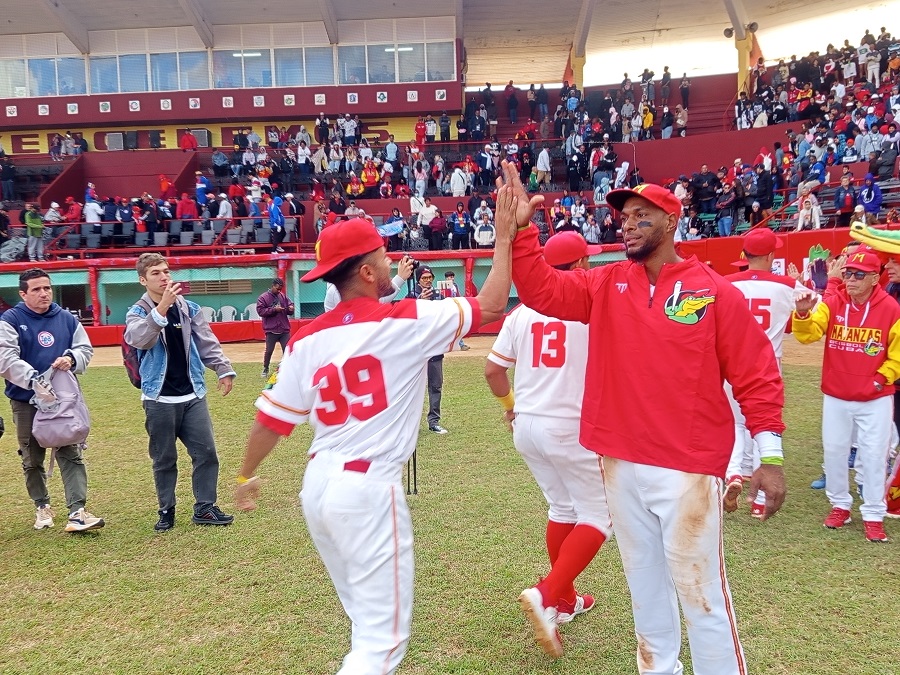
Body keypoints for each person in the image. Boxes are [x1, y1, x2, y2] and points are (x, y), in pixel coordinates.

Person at [503, 163, 786, 670]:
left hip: (688, 467)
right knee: (645, 586)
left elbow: (756, 376)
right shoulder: (605, 283)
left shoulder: (715, 292)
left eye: (641, 215)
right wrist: (523, 232)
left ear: (672, 221)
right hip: (620, 463)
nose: (627, 224)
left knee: (701, 597)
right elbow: (541, 290)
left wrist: (770, 454)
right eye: (624, 217)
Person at [232, 210, 514, 674]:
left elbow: (270, 421)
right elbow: (492, 302)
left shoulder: (306, 337)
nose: (391, 263)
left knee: (365, 625)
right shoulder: (404, 319)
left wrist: (245, 474)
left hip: (318, 486)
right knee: (382, 642)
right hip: (366, 489)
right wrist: (503, 239)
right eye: (383, 257)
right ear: (365, 272)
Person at [485, 232, 611, 657]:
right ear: (578, 267)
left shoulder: (522, 313)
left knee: (562, 509)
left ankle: (566, 600)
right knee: (599, 515)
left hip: (528, 423)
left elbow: (492, 370)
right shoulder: (591, 305)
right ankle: (547, 592)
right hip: (570, 424)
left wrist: (509, 406)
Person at [123, 253, 237, 531]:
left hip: (192, 395)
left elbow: (206, 341)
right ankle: (166, 509)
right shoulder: (136, 312)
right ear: (143, 280)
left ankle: (205, 507)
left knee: (207, 453)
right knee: (164, 458)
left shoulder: (189, 308)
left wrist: (223, 369)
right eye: (156, 274)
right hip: (158, 398)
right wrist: (160, 309)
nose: (164, 277)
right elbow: (139, 339)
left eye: (166, 272)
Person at [792, 251, 900, 543]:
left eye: (858, 275)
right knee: (835, 452)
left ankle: (874, 514)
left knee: (874, 455)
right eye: (848, 273)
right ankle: (840, 504)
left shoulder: (891, 308)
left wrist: (880, 379)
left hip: (875, 398)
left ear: (876, 278)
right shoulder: (834, 302)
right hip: (837, 396)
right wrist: (802, 314)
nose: (850, 279)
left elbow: (897, 354)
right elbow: (808, 335)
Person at [0, 268, 104, 532]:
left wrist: (72, 358)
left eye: (46, 287)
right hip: (25, 401)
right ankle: (42, 505)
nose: (43, 293)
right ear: (23, 294)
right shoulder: (10, 319)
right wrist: (35, 380)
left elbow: (84, 349)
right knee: (31, 457)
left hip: (62, 400)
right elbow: (6, 359)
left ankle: (77, 512)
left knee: (70, 450)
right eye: (36, 289)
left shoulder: (67, 319)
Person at [722, 229, 807, 517]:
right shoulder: (787, 284)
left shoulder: (726, 283)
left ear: (744, 256)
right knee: (764, 425)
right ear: (771, 256)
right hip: (767, 364)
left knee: (732, 424)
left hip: (729, 364)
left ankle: (733, 473)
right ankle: (759, 500)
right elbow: (819, 307)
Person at [257, 278, 295, 379]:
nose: (279, 291)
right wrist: (274, 310)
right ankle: (265, 368)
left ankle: (287, 369)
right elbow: (261, 311)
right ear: (273, 286)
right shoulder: (263, 297)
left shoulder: (282, 296)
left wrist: (291, 308)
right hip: (271, 329)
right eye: (277, 289)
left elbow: (289, 306)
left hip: (284, 329)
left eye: (280, 289)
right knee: (269, 350)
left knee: (287, 349)